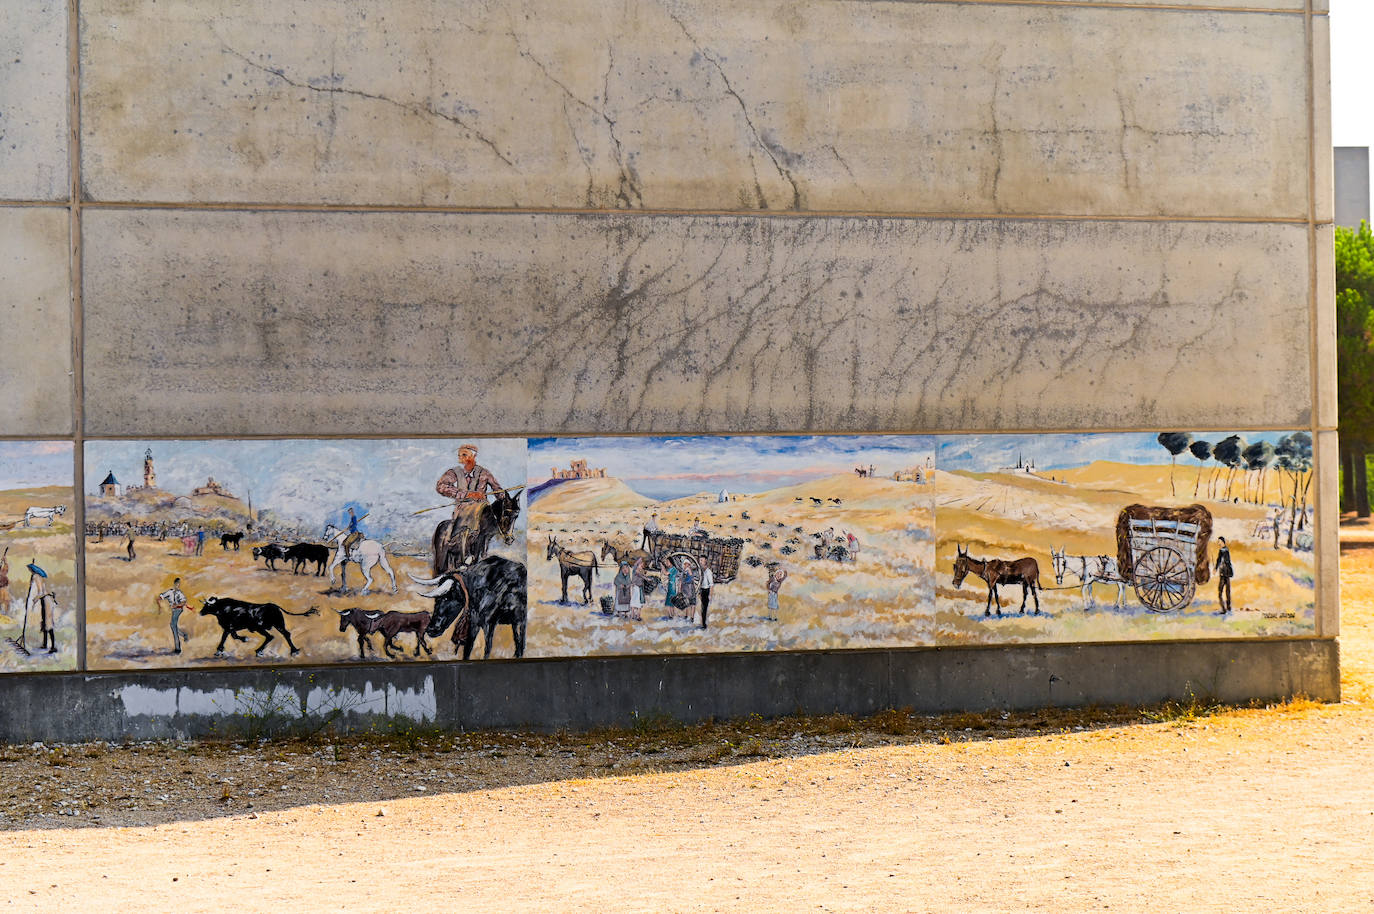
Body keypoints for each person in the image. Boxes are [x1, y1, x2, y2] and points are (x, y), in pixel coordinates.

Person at [436, 444, 503, 562]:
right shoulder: (455, 472)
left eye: (464, 454)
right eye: (459, 455)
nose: (460, 457)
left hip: (482, 509)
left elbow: (497, 490)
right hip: (463, 509)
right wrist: (466, 494)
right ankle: (461, 551)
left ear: (473, 456)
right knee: (462, 523)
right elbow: (441, 486)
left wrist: (503, 497)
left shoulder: (484, 473)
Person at [157, 577, 191, 654]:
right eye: (176, 584)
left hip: (178, 610)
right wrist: (160, 608)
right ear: (174, 584)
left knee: (173, 625)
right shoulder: (169, 592)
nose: (177, 585)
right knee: (173, 625)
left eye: (178, 584)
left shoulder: (180, 593)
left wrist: (176, 605)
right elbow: (159, 598)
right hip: (174, 610)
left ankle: (178, 648)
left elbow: (184, 602)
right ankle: (184, 635)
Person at [1215, 536, 1234, 614]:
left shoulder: (1222, 551)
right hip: (1227, 573)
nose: (1218, 543)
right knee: (1227, 591)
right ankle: (1228, 607)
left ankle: (1224, 608)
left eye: (1219, 541)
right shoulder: (1226, 550)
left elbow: (1220, 560)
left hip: (1223, 574)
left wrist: (1216, 568)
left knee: (1220, 591)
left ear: (1222, 542)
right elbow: (1225, 561)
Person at [630, 557, 646, 621]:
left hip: (638, 587)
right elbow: (641, 576)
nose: (642, 566)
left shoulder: (639, 570)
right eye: (641, 564)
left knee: (636, 601)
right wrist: (647, 578)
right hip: (637, 588)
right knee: (637, 601)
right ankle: (636, 616)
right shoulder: (636, 570)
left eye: (642, 565)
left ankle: (635, 615)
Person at [698, 562, 714, 630]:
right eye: (700, 560)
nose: (700, 562)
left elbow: (711, 584)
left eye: (702, 560)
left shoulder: (708, 572)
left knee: (704, 608)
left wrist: (710, 595)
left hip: (706, 590)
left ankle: (704, 625)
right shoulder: (701, 571)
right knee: (702, 607)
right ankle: (703, 623)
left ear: (706, 561)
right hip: (702, 590)